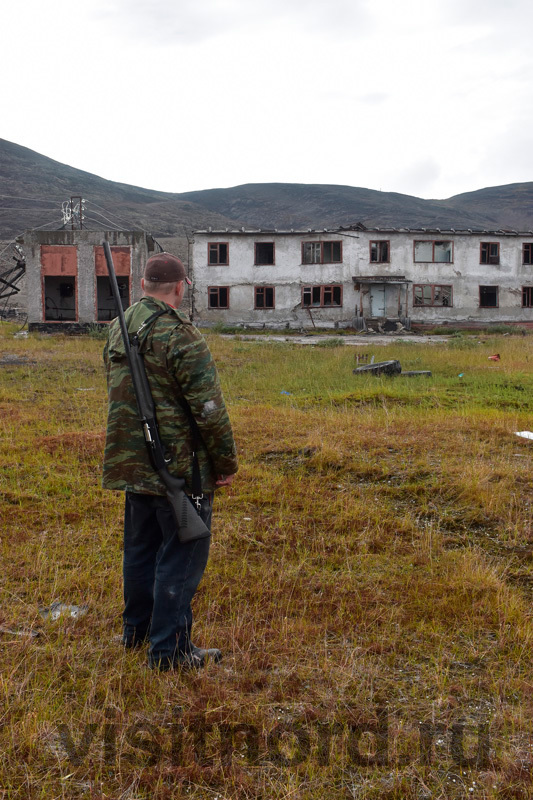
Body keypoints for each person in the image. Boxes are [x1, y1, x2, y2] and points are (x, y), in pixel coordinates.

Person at [102, 252, 238, 671]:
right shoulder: (181, 335)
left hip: (133, 462)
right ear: (181, 288)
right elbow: (208, 409)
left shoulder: (118, 327)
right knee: (180, 557)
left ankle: (137, 632)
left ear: (143, 285)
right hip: (180, 468)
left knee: (140, 551)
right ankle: (169, 651)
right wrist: (225, 463)